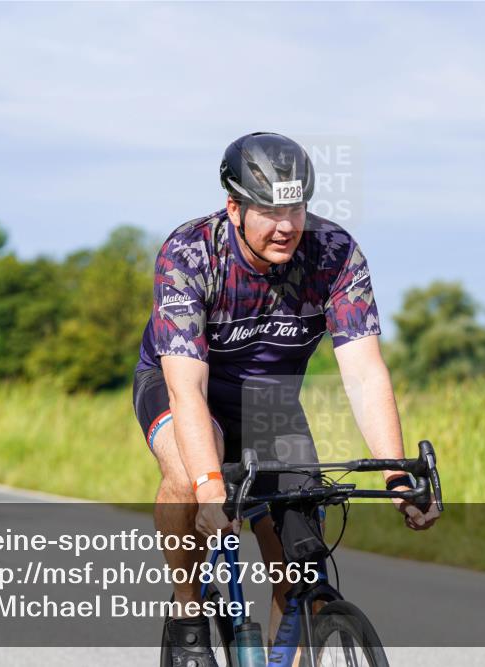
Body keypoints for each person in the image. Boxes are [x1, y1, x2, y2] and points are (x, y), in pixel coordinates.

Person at [132, 132, 439, 665]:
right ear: (234, 207)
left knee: (300, 567)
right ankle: (187, 614)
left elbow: (364, 373)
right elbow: (188, 389)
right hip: (182, 387)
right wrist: (209, 486)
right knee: (187, 475)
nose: (286, 226)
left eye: (295, 209)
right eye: (269, 211)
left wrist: (395, 473)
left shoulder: (334, 254)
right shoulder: (190, 253)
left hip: (270, 405)